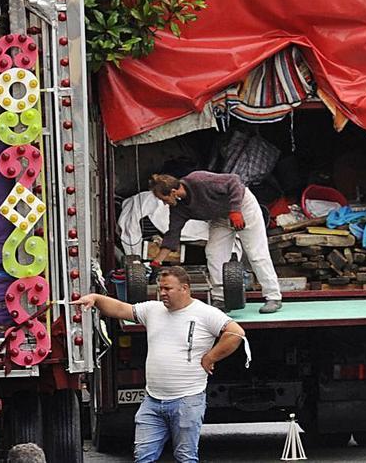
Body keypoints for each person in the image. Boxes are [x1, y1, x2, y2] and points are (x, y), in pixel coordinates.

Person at [73, 266, 247, 463]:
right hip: (153, 400)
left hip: (187, 399)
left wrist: (211, 357)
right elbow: (122, 309)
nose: (162, 293)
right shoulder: (153, 310)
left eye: (168, 289)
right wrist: (96, 299)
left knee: (185, 457)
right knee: (143, 456)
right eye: (160, 288)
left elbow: (236, 333)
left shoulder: (205, 313)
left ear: (184, 288)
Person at [150, 172, 282, 314]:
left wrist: (235, 211)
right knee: (214, 254)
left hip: (242, 207)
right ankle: (220, 298)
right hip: (219, 217)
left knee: (256, 253)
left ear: (173, 192)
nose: (164, 203)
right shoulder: (179, 208)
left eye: (163, 199)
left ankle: (273, 297)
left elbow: (234, 181)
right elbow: (173, 234)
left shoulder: (198, 180)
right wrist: (157, 262)